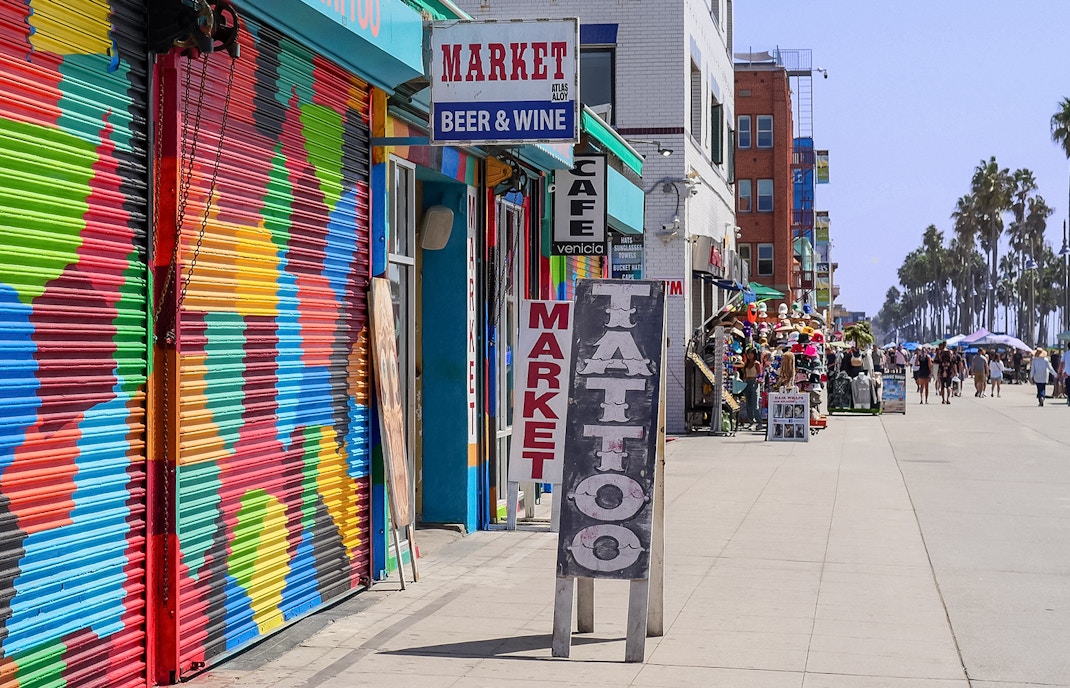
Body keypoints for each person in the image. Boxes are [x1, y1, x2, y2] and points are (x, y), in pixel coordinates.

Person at [741, 348, 762, 426]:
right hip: (747, 383)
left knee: (754, 404)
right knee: (748, 404)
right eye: (748, 353)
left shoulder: (757, 363)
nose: (749, 355)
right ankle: (751, 421)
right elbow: (745, 375)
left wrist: (758, 381)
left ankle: (759, 422)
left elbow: (760, 374)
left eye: (751, 353)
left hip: (754, 383)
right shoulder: (746, 364)